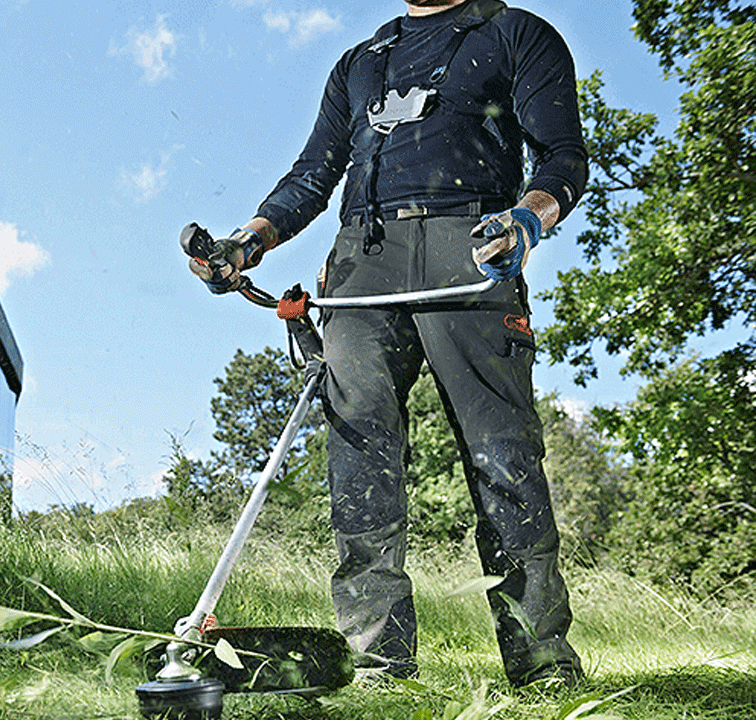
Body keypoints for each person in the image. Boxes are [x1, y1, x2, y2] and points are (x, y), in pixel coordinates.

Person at [187, 0, 587, 687]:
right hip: (363, 258)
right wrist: (246, 242)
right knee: (359, 464)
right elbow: (315, 171)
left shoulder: (516, 33)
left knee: (503, 458)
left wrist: (526, 220)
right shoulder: (361, 63)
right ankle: (377, 666)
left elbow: (563, 156)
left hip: (471, 247)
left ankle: (542, 662)